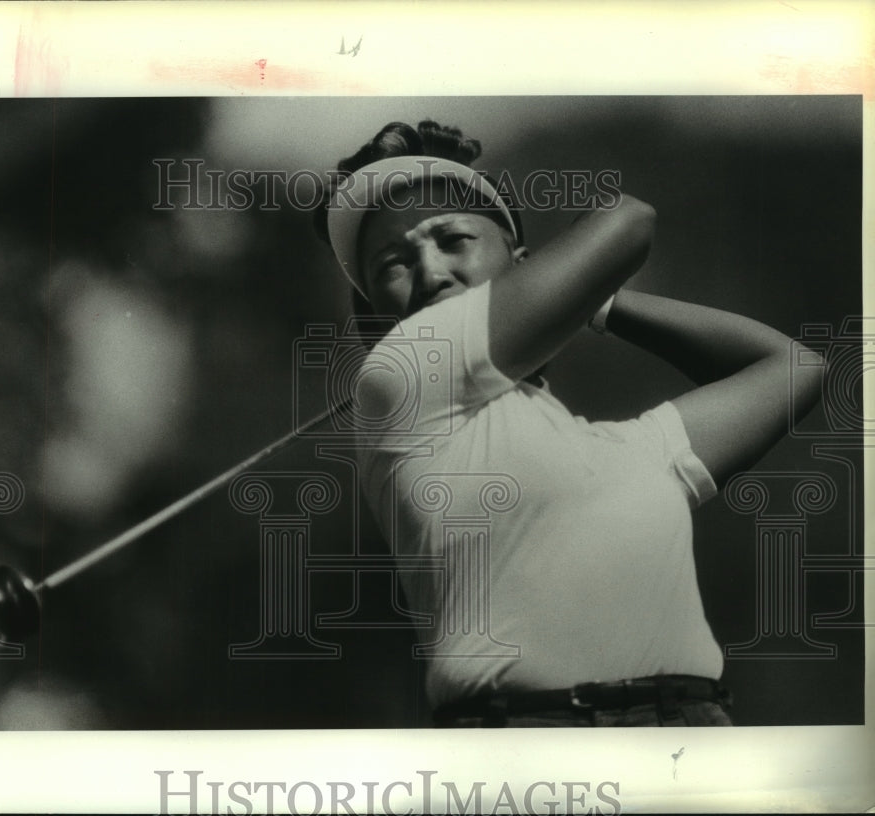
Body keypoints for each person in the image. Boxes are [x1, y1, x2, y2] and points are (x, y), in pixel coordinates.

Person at [313, 120, 825, 727]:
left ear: (524, 266)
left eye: (452, 239)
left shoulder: (626, 449)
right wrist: (572, 292)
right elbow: (627, 221)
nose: (430, 273)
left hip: (692, 739)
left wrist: (592, 301)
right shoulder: (397, 375)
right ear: (376, 324)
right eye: (393, 264)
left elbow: (793, 368)